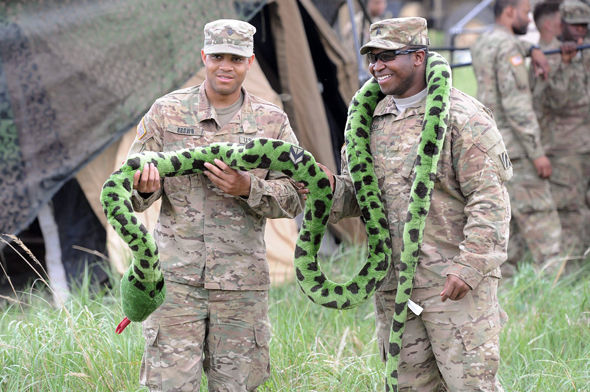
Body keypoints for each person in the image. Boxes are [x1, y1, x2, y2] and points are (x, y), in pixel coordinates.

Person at [322, 16, 512, 391]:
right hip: (394, 289)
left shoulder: (463, 117)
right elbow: (358, 198)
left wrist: (469, 267)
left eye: (388, 56)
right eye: (372, 57)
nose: (377, 66)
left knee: (471, 385)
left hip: (454, 287)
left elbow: (489, 198)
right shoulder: (368, 122)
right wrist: (324, 187)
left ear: (419, 57)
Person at [128, 19, 303, 391]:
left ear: (250, 62)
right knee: (170, 385)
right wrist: (144, 189)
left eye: (236, 58)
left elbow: (295, 196)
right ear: (203, 57)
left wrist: (248, 187)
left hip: (241, 285)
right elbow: (128, 189)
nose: (226, 66)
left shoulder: (272, 122)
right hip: (175, 282)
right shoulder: (166, 112)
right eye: (218, 56)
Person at [471, 0, 562, 274]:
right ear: (509, 12)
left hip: (491, 146)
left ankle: (508, 285)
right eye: (524, 13)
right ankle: (555, 279)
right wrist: (537, 153)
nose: (529, 20)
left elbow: (506, 44)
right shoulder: (508, 48)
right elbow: (517, 106)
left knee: (505, 224)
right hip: (518, 149)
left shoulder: (482, 43)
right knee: (543, 221)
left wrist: (532, 47)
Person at [530, 0, 590, 258]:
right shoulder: (549, 56)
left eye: (584, 27)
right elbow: (554, 101)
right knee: (571, 209)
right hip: (566, 148)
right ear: (560, 24)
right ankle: (574, 264)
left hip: (584, 142)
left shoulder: (585, 52)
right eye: (574, 26)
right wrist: (566, 63)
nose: (580, 32)